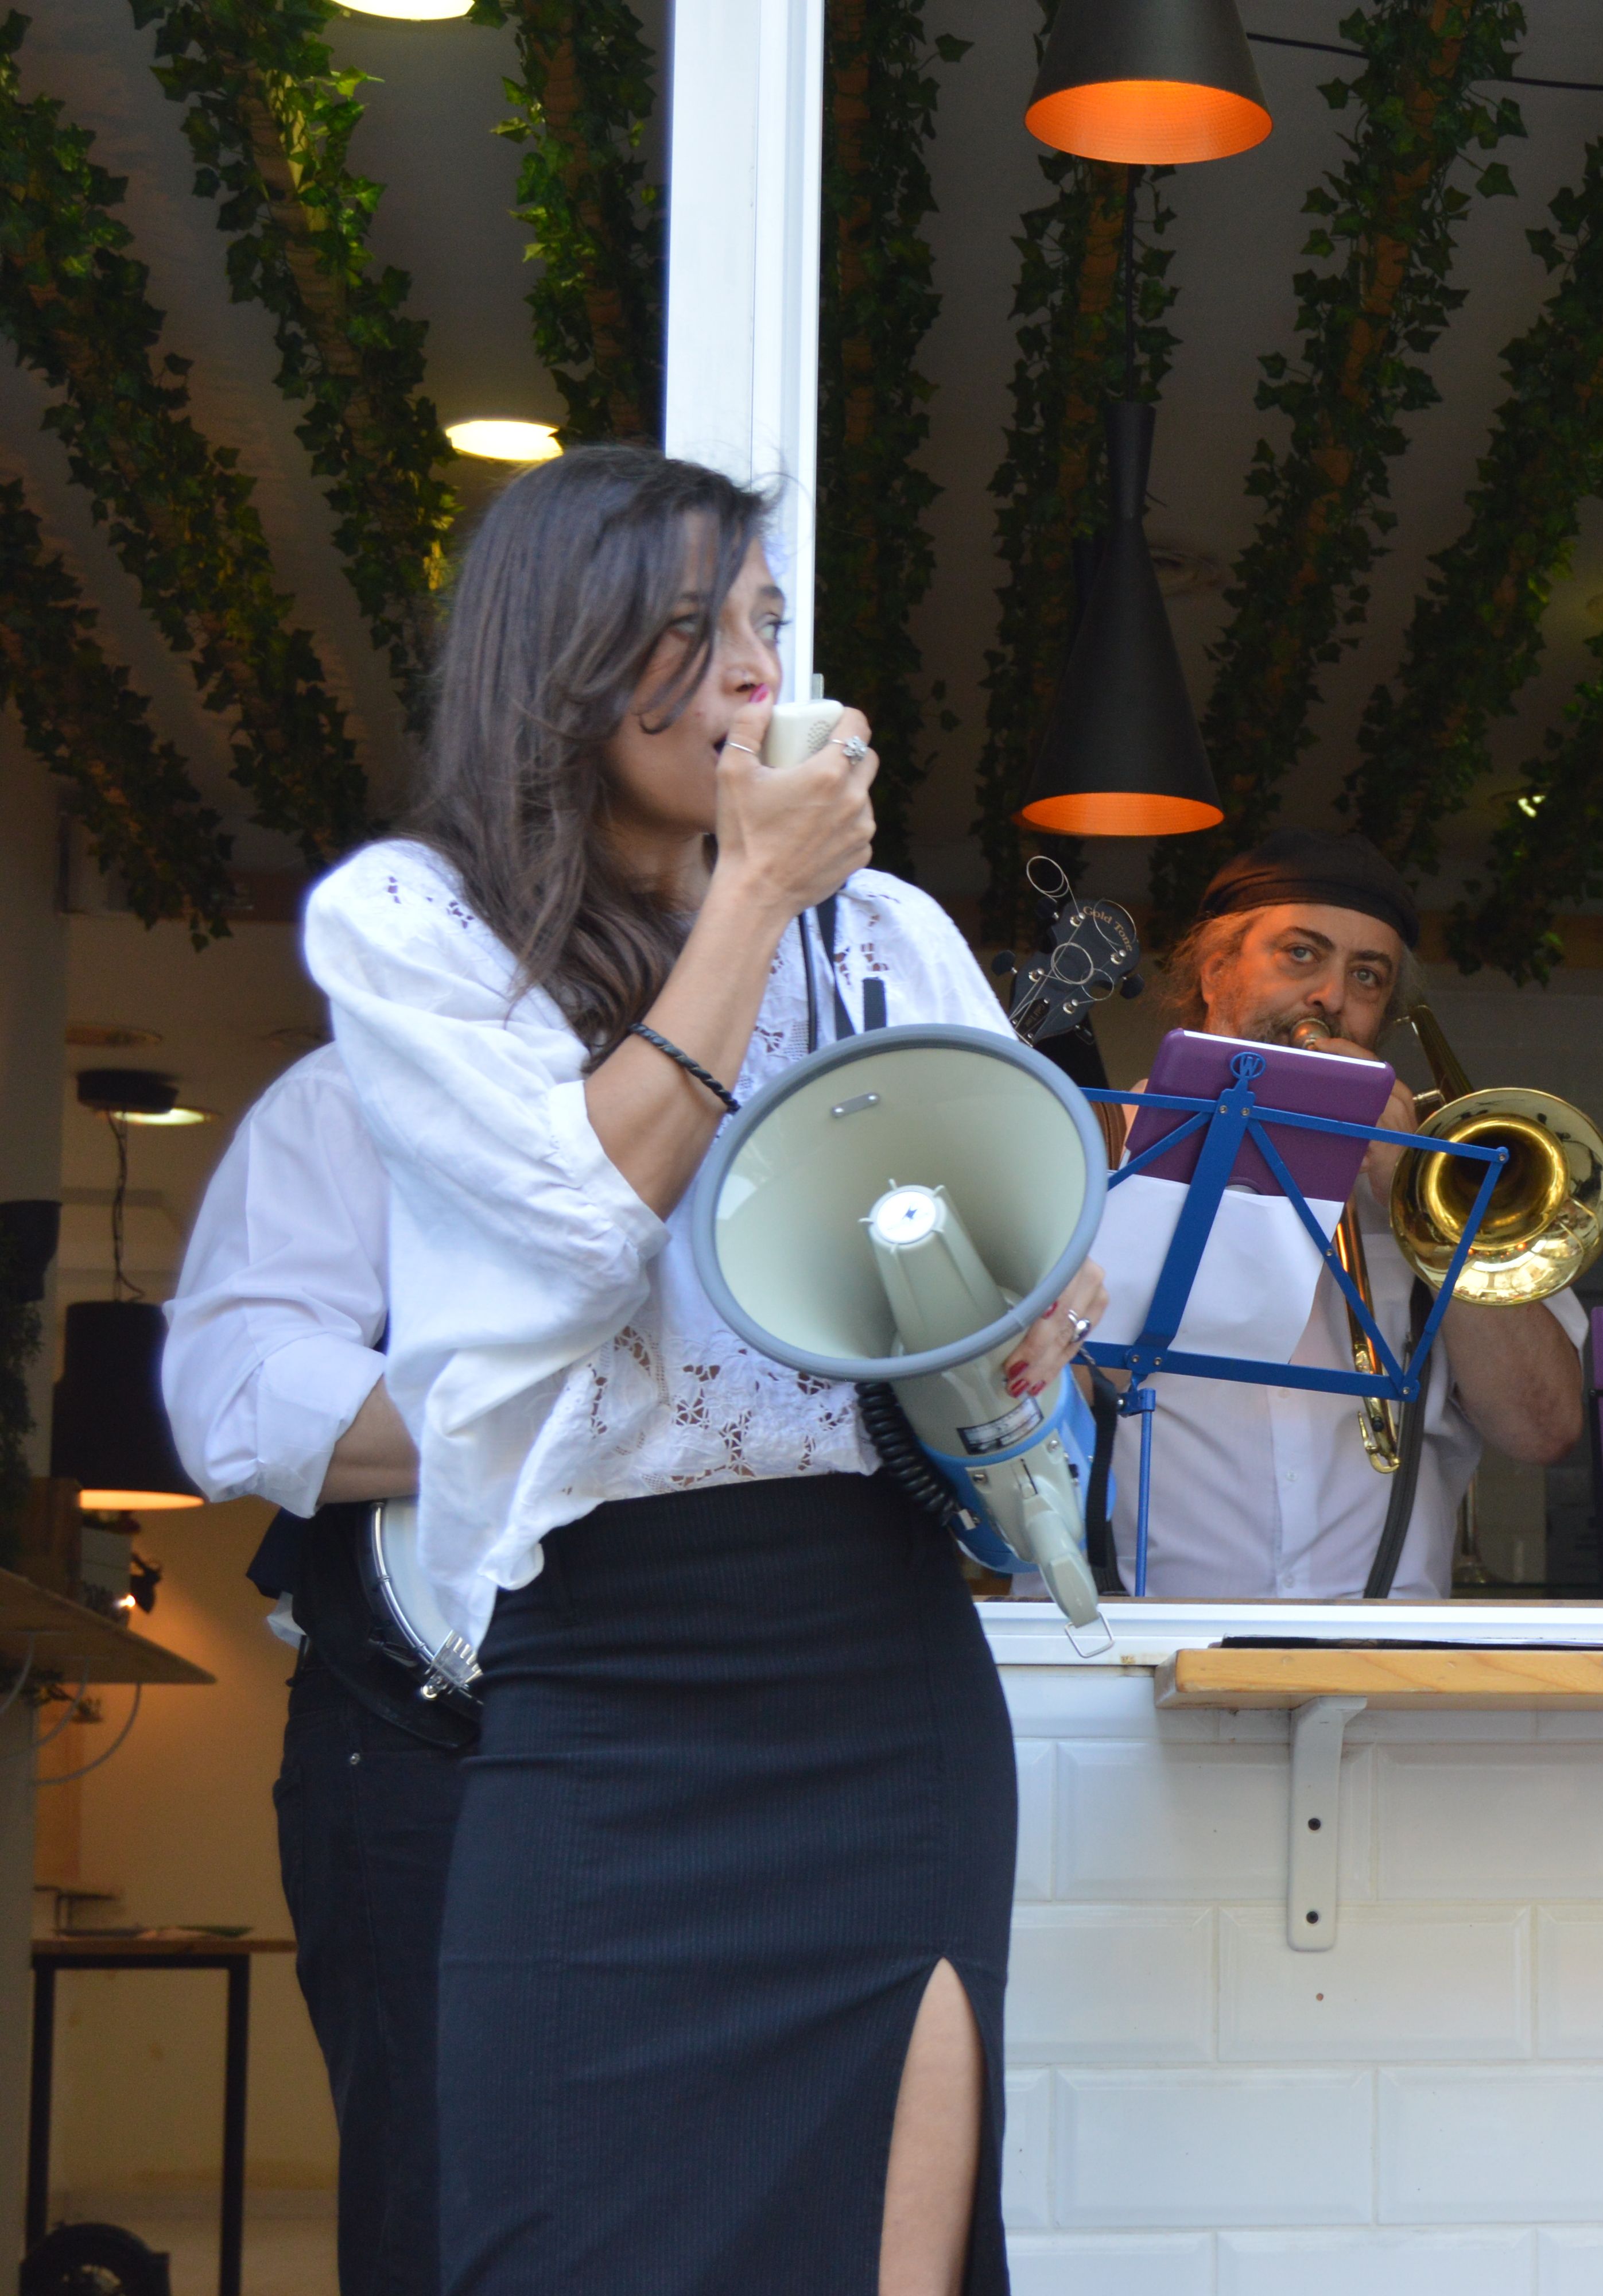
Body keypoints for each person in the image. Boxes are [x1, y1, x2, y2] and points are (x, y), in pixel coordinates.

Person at [304, 446, 1098, 2295]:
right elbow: (584, 1229)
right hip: (598, 1689)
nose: (760, 674)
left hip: (874, 1678)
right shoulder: (416, 932)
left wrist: (1034, 1307)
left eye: (770, 625)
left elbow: (1020, 1232)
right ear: (565, 671)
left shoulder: (891, 935)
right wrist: (750, 899)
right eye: (697, 633)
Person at [1108, 828, 1586, 1600]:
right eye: (1301, 954)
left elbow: (1544, 1429)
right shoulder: (1098, 1152)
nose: (1330, 996)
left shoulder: (1448, 1190)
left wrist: (1415, 1191)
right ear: (1215, 967)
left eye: (1367, 976)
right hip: (1143, 1652)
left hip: (1387, 1656)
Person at [162, 1049, 451, 2296]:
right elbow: (241, 1395)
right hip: (420, 1722)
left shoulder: (807, 1062)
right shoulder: (365, 1090)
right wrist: (598, 1407)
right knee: (438, 2172)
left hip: (727, 1712)